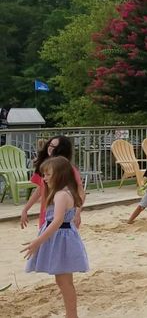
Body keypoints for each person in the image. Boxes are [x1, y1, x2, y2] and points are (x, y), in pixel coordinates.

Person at [22, 156, 89, 318]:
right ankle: (71, 314)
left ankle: (72, 315)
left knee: (64, 281)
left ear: (59, 174)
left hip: (61, 239)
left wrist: (38, 241)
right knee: (63, 280)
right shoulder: (66, 192)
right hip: (62, 237)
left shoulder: (61, 195)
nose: (44, 178)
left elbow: (57, 220)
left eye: (47, 175)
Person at [20, 136, 86, 231]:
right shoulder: (46, 167)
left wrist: (77, 214)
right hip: (47, 214)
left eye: (54, 146)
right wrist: (25, 209)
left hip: (64, 219)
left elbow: (81, 193)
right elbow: (40, 190)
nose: (50, 148)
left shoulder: (69, 169)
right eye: (49, 145)